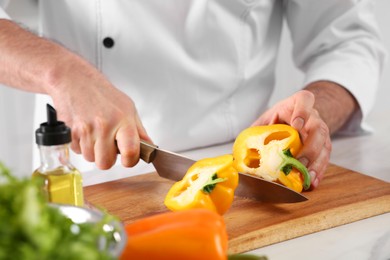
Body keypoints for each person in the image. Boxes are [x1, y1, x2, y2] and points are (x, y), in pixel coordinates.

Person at [0, 0, 386, 189]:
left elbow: (348, 39)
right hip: (84, 178)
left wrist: (309, 115)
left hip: (246, 174)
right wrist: (61, 72)